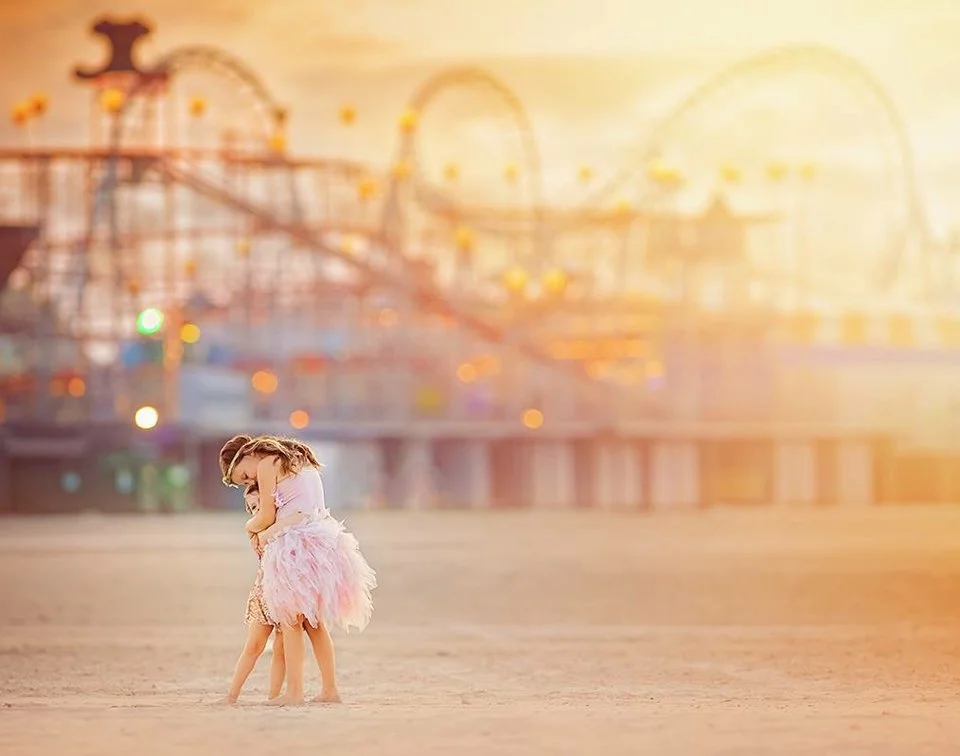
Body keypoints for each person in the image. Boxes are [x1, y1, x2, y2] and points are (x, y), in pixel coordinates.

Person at [219, 434, 376, 706]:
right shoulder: (300, 459)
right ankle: (330, 689)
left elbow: (267, 515)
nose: (249, 481)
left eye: (243, 475)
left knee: (291, 621)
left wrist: (250, 529)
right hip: (321, 540)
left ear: (247, 454)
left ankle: (294, 692)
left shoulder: (268, 463)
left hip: (294, 545)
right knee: (314, 624)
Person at [220, 483, 287, 704]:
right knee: (254, 646)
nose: (257, 511)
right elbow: (265, 537)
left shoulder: (281, 523)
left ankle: (274, 696)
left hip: (287, 592)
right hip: (265, 592)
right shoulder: (257, 529)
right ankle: (232, 695)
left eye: (260, 505)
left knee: (281, 646)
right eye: (252, 508)